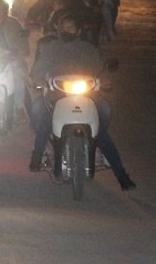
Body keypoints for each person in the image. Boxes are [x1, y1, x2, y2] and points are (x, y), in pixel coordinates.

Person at [27, 14, 136, 191]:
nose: (66, 31)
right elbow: (38, 69)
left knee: (103, 120)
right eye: (63, 28)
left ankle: (121, 174)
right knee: (42, 113)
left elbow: (100, 71)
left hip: (87, 95)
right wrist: (38, 79)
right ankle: (37, 154)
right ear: (58, 29)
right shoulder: (51, 48)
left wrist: (105, 81)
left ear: (78, 31)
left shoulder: (88, 49)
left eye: (70, 28)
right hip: (57, 94)